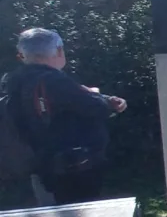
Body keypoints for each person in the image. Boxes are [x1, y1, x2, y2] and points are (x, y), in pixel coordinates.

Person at [3, 28, 126, 205]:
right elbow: (96, 108)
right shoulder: (54, 81)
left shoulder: (13, 82)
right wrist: (97, 95)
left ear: (21, 56)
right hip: (73, 167)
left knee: (50, 214)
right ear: (59, 50)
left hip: (37, 164)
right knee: (81, 215)